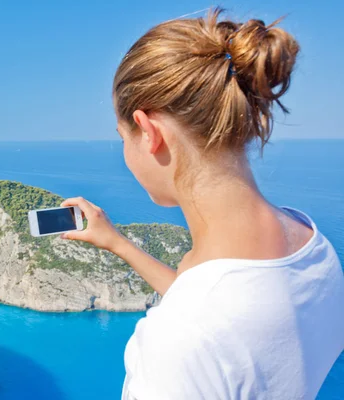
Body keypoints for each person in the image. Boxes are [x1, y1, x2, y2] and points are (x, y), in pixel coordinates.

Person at [60, 9, 344, 400]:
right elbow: (222, 301)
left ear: (148, 131)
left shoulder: (178, 344)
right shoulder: (314, 247)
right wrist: (118, 243)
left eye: (123, 137)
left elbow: (205, 320)